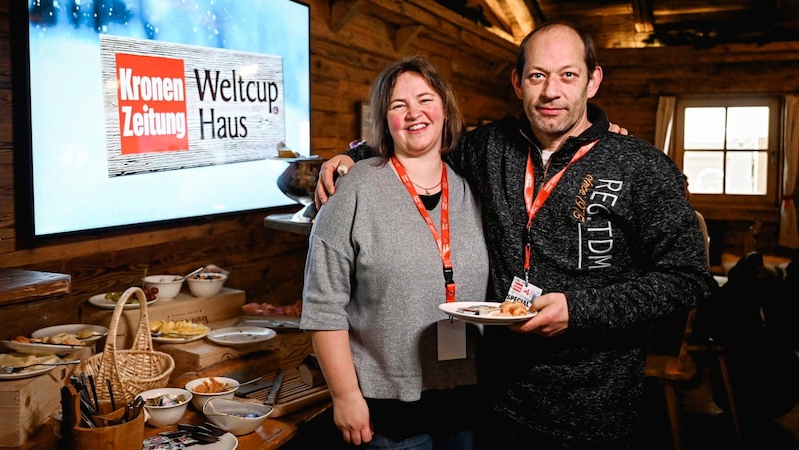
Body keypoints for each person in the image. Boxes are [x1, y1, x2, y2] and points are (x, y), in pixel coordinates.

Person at [315, 21, 715, 449]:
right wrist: (351, 155)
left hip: (596, 413)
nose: (551, 91)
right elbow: (421, 138)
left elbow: (689, 278)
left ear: (593, 81)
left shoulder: (641, 166)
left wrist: (579, 310)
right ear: (518, 83)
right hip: (496, 406)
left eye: (568, 74)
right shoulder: (489, 148)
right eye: (537, 76)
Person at [300, 55, 489, 449]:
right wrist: (345, 396)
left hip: (467, 402)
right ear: (384, 120)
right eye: (398, 106)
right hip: (385, 410)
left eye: (425, 100)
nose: (414, 113)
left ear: (445, 109)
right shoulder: (353, 190)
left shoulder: (472, 188)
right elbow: (323, 305)